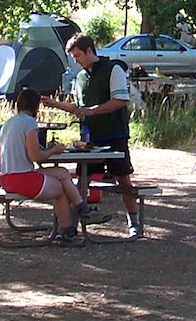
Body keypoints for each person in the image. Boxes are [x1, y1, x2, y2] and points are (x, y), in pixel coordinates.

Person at [42, 33, 143, 239]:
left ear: (89, 51)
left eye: (78, 55)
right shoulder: (80, 78)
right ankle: (71, 226)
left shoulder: (113, 69)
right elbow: (79, 108)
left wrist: (94, 110)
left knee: (122, 178)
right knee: (83, 179)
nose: (77, 61)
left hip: (114, 133)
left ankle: (134, 222)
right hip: (90, 138)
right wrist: (55, 104)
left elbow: (120, 100)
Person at [0, 87, 108, 246]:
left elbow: (0, 156)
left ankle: (83, 209)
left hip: (6, 177)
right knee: (60, 190)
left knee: (62, 173)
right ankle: (68, 232)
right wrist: (54, 150)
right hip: (22, 178)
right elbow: (36, 157)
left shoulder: (7, 124)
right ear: (36, 106)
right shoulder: (29, 123)